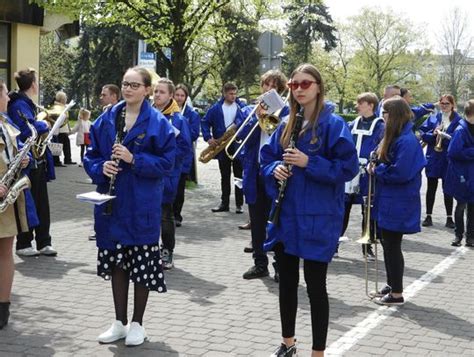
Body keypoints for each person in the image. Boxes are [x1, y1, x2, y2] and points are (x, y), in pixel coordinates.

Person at [260, 63, 358, 357]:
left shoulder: (334, 124)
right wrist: (275, 169)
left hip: (318, 216)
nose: (299, 89)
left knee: (316, 287)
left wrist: (308, 162)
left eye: (306, 84)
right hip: (286, 215)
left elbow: (348, 168)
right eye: (294, 85)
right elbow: (266, 161)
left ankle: (318, 351)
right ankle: (288, 342)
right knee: (287, 283)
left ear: (318, 87)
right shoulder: (285, 121)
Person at [84, 67, 176, 346]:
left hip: (142, 204)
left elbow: (168, 164)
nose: (128, 89)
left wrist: (134, 159)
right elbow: (90, 156)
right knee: (117, 264)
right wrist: (103, 167)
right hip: (113, 205)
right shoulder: (107, 119)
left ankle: (138, 323)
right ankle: (119, 322)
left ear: (147, 89)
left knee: (142, 265)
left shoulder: (160, 123)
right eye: (125, 84)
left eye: (135, 85)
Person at [369, 96, 426, 306]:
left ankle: (397, 293)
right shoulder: (396, 137)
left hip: (399, 200)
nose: (381, 117)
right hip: (390, 199)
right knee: (387, 243)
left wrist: (378, 169)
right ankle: (392, 284)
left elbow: (401, 173)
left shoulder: (407, 141)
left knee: (392, 245)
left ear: (392, 115)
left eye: (384, 113)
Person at [238, 69, 289, 281]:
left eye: (273, 86)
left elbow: (279, 136)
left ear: (281, 89)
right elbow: (242, 136)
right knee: (257, 221)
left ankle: (279, 265)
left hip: (276, 171)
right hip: (254, 170)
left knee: (276, 220)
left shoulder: (287, 111)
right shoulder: (251, 110)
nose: (268, 90)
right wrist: (255, 117)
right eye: (265, 86)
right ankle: (260, 263)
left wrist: (267, 116)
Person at [0, 79, 37, 329]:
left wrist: (22, 160)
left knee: (5, 254)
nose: (8, 97)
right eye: (4, 92)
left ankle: (3, 308)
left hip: (6, 199)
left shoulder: (6, 124)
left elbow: (13, 152)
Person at [8, 68, 57, 257]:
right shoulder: (19, 104)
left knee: (41, 204)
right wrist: (43, 124)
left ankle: (44, 242)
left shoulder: (25, 103)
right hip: (26, 162)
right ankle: (24, 242)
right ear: (34, 84)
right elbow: (27, 128)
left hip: (37, 160)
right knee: (28, 204)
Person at [339, 92, 384, 261]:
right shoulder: (352, 124)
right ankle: (335, 243)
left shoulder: (381, 126)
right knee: (343, 208)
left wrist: (375, 163)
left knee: (368, 211)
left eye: (360, 103)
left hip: (368, 174)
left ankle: (367, 247)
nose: (357, 106)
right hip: (350, 171)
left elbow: (383, 147)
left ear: (371, 105)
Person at [153, 78, 192, 270]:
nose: (157, 95)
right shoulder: (148, 114)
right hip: (146, 172)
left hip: (166, 174)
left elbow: (184, 147)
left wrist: (164, 159)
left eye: (161, 92)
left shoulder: (177, 119)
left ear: (170, 96)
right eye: (155, 91)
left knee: (165, 214)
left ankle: (167, 250)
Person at [201, 82, 246, 213]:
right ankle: (224, 204)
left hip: (237, 144)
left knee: (239, 176)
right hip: (222, 145)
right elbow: (205, 122)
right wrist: (208, 138)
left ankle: (239, 204)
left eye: (235, 93)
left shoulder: (241, 107)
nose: (233, 96)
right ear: (224, 94)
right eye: (231, 94)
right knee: (224, 176)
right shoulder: (215, 108)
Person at [419, 94, 462, 228]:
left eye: (447, 104)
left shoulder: (458, 120)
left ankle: (449, 218)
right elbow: (422, 133)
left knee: (447, 188)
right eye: (442, 103)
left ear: (452, 105)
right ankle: (428, 216)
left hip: (448, 157)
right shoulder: (433, 118)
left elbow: (459, 138)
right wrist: (433, 133)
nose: (444, 106)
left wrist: (447, 136)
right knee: (431, 187)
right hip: (434, 157)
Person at [444, 99, 474, 247]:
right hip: (463, 174)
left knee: (473, 208)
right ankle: (458, 235)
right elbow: (453, 152)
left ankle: (471, 237)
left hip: (471, 174)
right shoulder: (461, 130)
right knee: (461, 205)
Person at [173, 83, 200, 226]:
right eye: (177, 95)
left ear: (186, 97)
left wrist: (182, 131)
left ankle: (177, 215)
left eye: (182, 96)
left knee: (179, 187)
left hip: (183, 155)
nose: (179, 98)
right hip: (168, 154)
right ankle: (166, 213)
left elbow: (194, 133)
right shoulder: (168, 111)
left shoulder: (192, 114)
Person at [50, 91, 75, 165]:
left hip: (64, 129)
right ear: (61, 99)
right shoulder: (57, 107)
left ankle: (67, 159)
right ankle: (57, 161)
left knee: (66, 145)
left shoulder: (63, 106)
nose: (66, 99)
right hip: (60, 130)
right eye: (65, 98)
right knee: (58, 146)